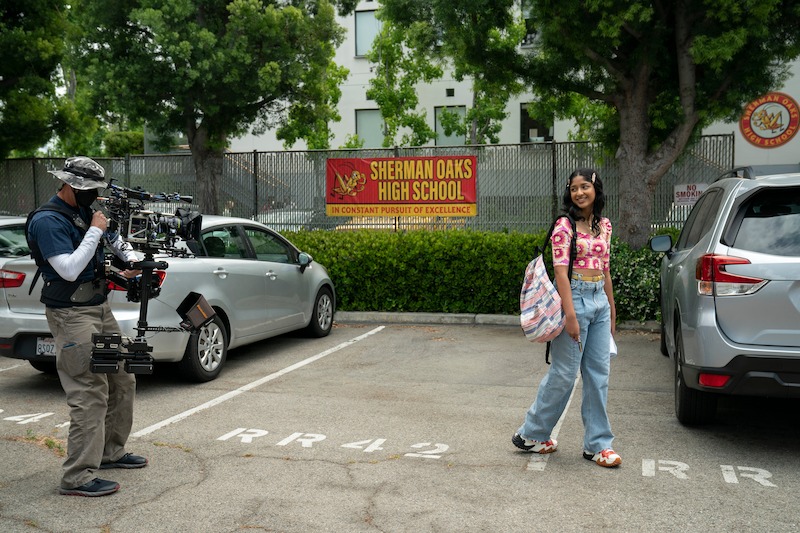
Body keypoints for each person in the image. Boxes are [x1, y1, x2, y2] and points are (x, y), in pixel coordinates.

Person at [27, 156, 148, 496]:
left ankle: (110, 452)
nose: (91, 195)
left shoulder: (82, 214)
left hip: (98, 309)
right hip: (72, 316)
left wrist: (126, 268)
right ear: (67, 185)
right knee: (89, 391)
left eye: (94, 189)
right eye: (85, 189)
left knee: (121, 377)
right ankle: (77, 476)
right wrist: (96, 229)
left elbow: (102, 256)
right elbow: (67, 268)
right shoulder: (49, 221)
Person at [512, 168, 620, 468]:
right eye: (574, 188)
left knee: (599, 375)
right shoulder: (565, 225)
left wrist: (611, 308)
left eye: (585, 187)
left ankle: (598, 445)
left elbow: (606, 268)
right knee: (564, 373)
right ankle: (532, 433)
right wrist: (570, 315)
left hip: (598, 299)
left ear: (596, 189)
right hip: (574, 299)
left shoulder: (605, 226)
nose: (579, 193)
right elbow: (560, 271)